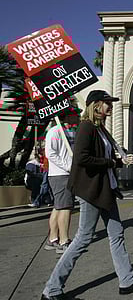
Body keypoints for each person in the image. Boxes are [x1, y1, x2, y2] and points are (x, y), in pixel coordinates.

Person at [41, 90, 133, 300]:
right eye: (107, 103)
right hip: (91, 191)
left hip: (106, 189)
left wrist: (119, 160)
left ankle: (126, 281)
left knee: (117, 234)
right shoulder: (86, 127)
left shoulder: (100, 129)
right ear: (95, 105)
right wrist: (112, 162)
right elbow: (82, 158)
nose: (110, 106)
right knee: (83, 239)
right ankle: (52, 289)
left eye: (111, 103)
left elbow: (103, 156)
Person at [43, 108, 80, 254]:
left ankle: (52, 239)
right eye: (75, 114)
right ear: (68, 116)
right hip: (60, 175)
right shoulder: (55, 131)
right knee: (65, 207)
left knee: (58, 207)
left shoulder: (70, 131)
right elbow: (50, 153)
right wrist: (67, 166)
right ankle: (64, 241)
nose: (78, 116)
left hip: (65, 174)